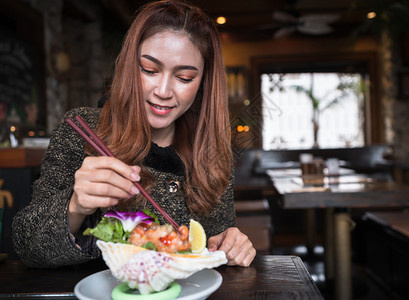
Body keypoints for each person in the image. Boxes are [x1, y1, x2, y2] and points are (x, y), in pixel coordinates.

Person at [12, 0, 256, 268]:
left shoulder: (211, 151)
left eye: (184, 77)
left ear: (203, 83)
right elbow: (27, 244)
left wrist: (231, 243)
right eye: (149, 70)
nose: (163, 90)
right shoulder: (82, 131)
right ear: (130, 65)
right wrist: (74, 207)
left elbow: (215, 246)